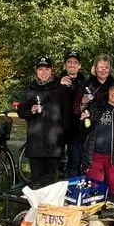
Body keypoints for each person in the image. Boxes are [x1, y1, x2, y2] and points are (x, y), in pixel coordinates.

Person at [16, 56, 68, 187]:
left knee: (51, 185)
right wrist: (31, 111)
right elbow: (21, 111)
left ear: (51, 71)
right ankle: (36, 207)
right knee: (36, 184)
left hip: (54, 145)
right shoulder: (30, 89)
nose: (43, 72)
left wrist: (64, 138)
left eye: (46, 69)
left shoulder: (60, 88)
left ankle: (50, 208)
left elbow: (66, 114)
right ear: (36, 71)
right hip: (36, 145)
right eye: (40, 69)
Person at [82, 78, 114, 196]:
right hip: (95, 155)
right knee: (93, 190)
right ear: (109, 91)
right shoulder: (97, 105)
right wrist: (84, 118)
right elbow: (86, 126)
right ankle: (94, 210)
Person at [59, 50, 86, 177]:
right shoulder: (56, 81)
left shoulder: (84, 82)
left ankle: (72, 191)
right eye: (69, 62)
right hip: (58, 127)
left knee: (75, 162)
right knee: (55, 163)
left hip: (76, 128)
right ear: (65, 65)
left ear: (79, 66)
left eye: (75, 62)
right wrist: (59, 86)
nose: (72, 65)